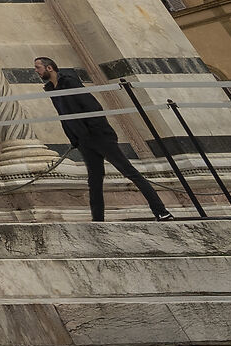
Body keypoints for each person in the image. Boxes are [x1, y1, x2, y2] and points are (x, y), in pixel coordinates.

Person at [34, 57, 175, 223]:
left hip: (99, 136)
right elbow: (63, 116)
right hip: (84, 141)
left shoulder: (70, 82)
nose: (36, 71)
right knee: (94, 180)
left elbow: (92, 106)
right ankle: (98, 220)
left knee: (130, 172)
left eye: (38, 67)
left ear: (49, 68)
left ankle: (161, 212)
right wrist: (75, 139)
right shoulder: (51, 88)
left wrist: (92, 131)